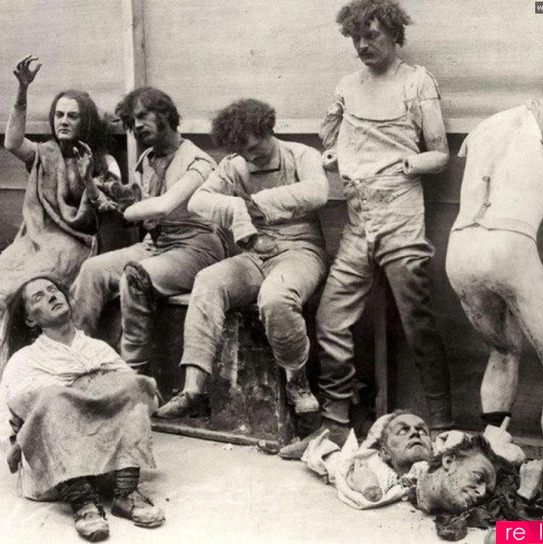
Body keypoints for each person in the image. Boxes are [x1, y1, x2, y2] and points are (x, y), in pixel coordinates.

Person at [280, 0, 452, 459]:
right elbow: (334, 138)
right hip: (358, 222)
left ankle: (442, 429)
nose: (362, 44)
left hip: (400, 218)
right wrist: (337, 155)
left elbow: (439, 154)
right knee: (330, 319)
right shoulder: (347, 86)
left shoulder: (416, 82)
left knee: (418, 322)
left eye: (372, 35)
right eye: (356, 37)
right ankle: (336, 426)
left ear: (394, 35)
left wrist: (404, 164)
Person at [445, 88, 543, 506]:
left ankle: (493, 457)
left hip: (460, 247)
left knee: (503, 350)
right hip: (508, 241)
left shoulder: (486, 124)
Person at [155, 98, 328, 419]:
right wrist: (233, 207)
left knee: (276, 297)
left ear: (268, 130)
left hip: (299, 251)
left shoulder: (301, 155)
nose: (250, 157)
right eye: (241, 151)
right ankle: (193, 389)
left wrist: (259, 202)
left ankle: (297, 382)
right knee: (207, 281)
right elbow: (197, 202)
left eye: (254, 147)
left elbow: (318, 191)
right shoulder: (234, 165)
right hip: (254, 256)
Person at [71, 87, 227, 374]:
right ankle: (75, 359)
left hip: (196, 248)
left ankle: (134, 374)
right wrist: (93, 185)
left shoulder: (199, 162)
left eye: (143, 116)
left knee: (135, 277)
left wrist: (130, 210)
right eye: (132, 122)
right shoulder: (146, 160)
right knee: (92, 270)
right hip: (155, 246)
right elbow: (137, 213)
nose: (137, 126)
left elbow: (162, 207)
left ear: (166, 114)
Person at [0, 276, 165, 541]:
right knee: (51, 397)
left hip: (110, 467)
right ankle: (84, 504)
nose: (52, 296)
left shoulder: (98, 349)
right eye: (39, 296)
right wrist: (89, 388)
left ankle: (126, 493)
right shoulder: (24, 361)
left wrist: (102, 388)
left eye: (53, 290)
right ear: (30, 320)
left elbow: (147, 401)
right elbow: (20, 423)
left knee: (130, 384)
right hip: (55, 473)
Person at [0, 55, 123, 372]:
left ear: (86, 122)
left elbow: (110, 214)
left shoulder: (103, 162)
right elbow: (12, 142)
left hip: (75, 242)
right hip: (35, 239)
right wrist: (22, 91)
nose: (63, 121)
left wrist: (88, 179)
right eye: (59, 114)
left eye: (72, 116)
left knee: (19, 289)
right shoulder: (45, 153)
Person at [301, 410, 434, 508]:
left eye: (422, 431)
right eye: (403, 430)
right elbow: (331, 460)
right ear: (385, 453)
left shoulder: (443, 465)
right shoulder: (371, 468)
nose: (415, 433)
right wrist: (367, 484)